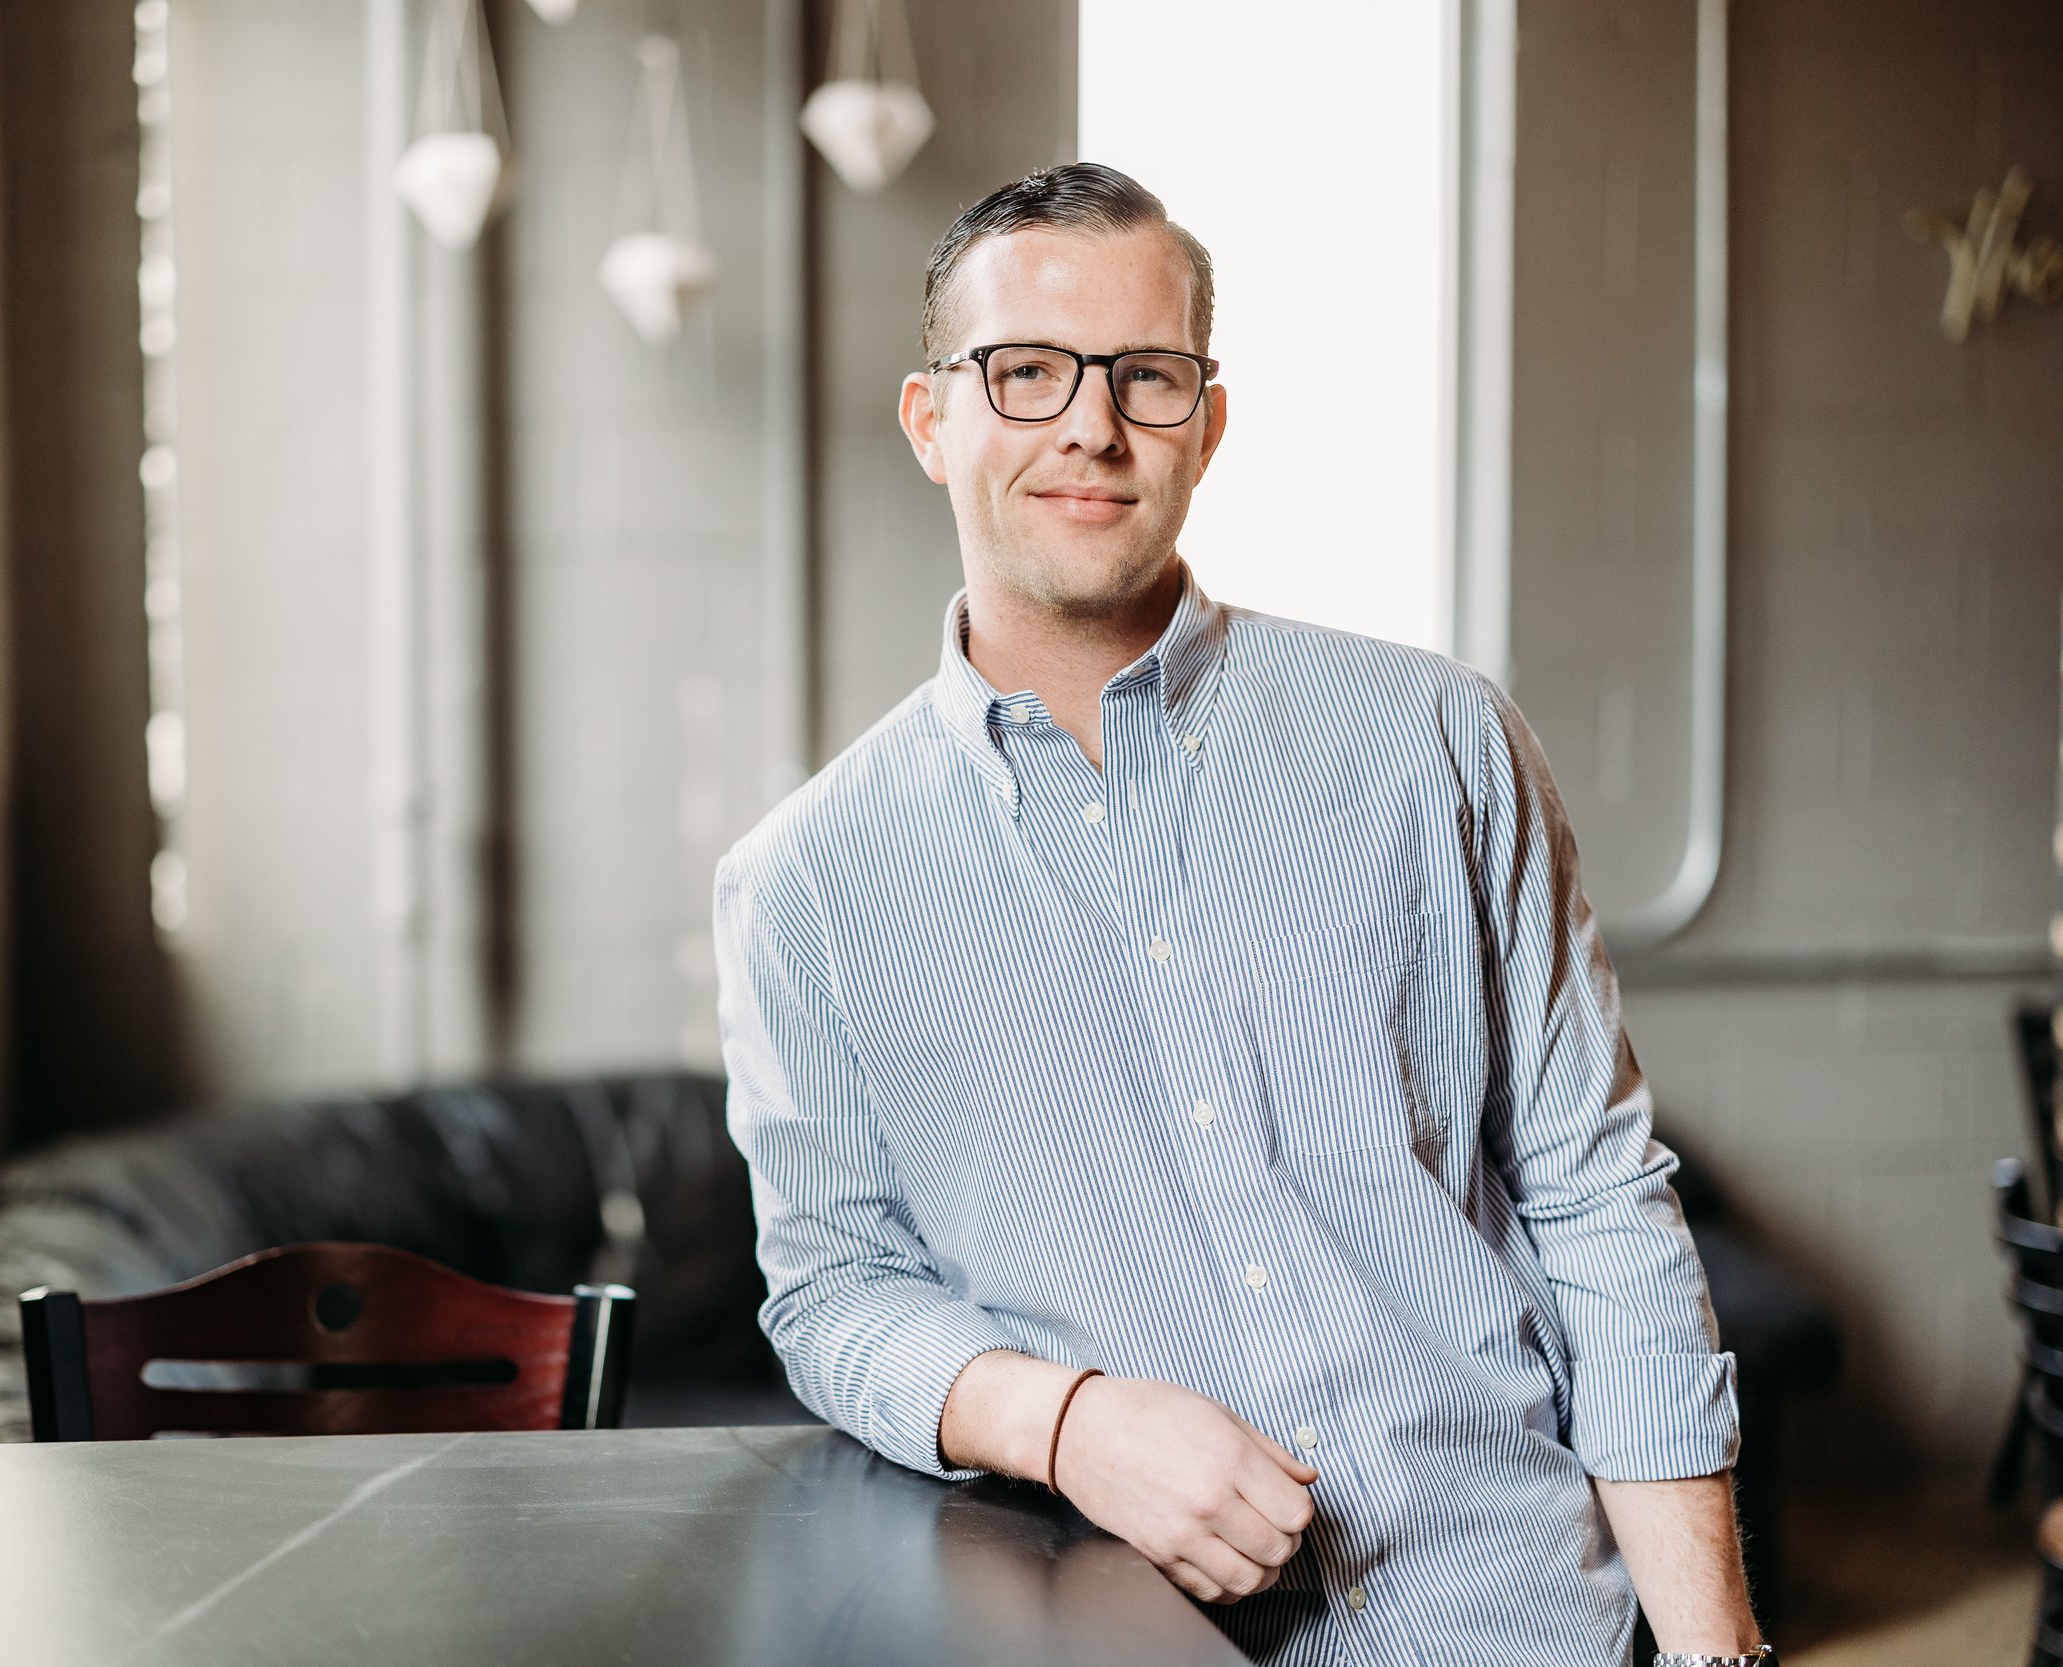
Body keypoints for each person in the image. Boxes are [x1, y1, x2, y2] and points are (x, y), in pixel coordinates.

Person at [711, 163, 1767, 1665]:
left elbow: (1597, 1202)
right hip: (1139, 1642)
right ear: (930, 421)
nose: (1091, 424)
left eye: (1145, 375)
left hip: (1523, 1622)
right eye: (1026, 374)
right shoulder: (804, 884)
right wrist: (1067, 1423)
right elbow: (831, 1291)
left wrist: (1720, 1655)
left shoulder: (1436, 742)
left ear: (1206, 422)